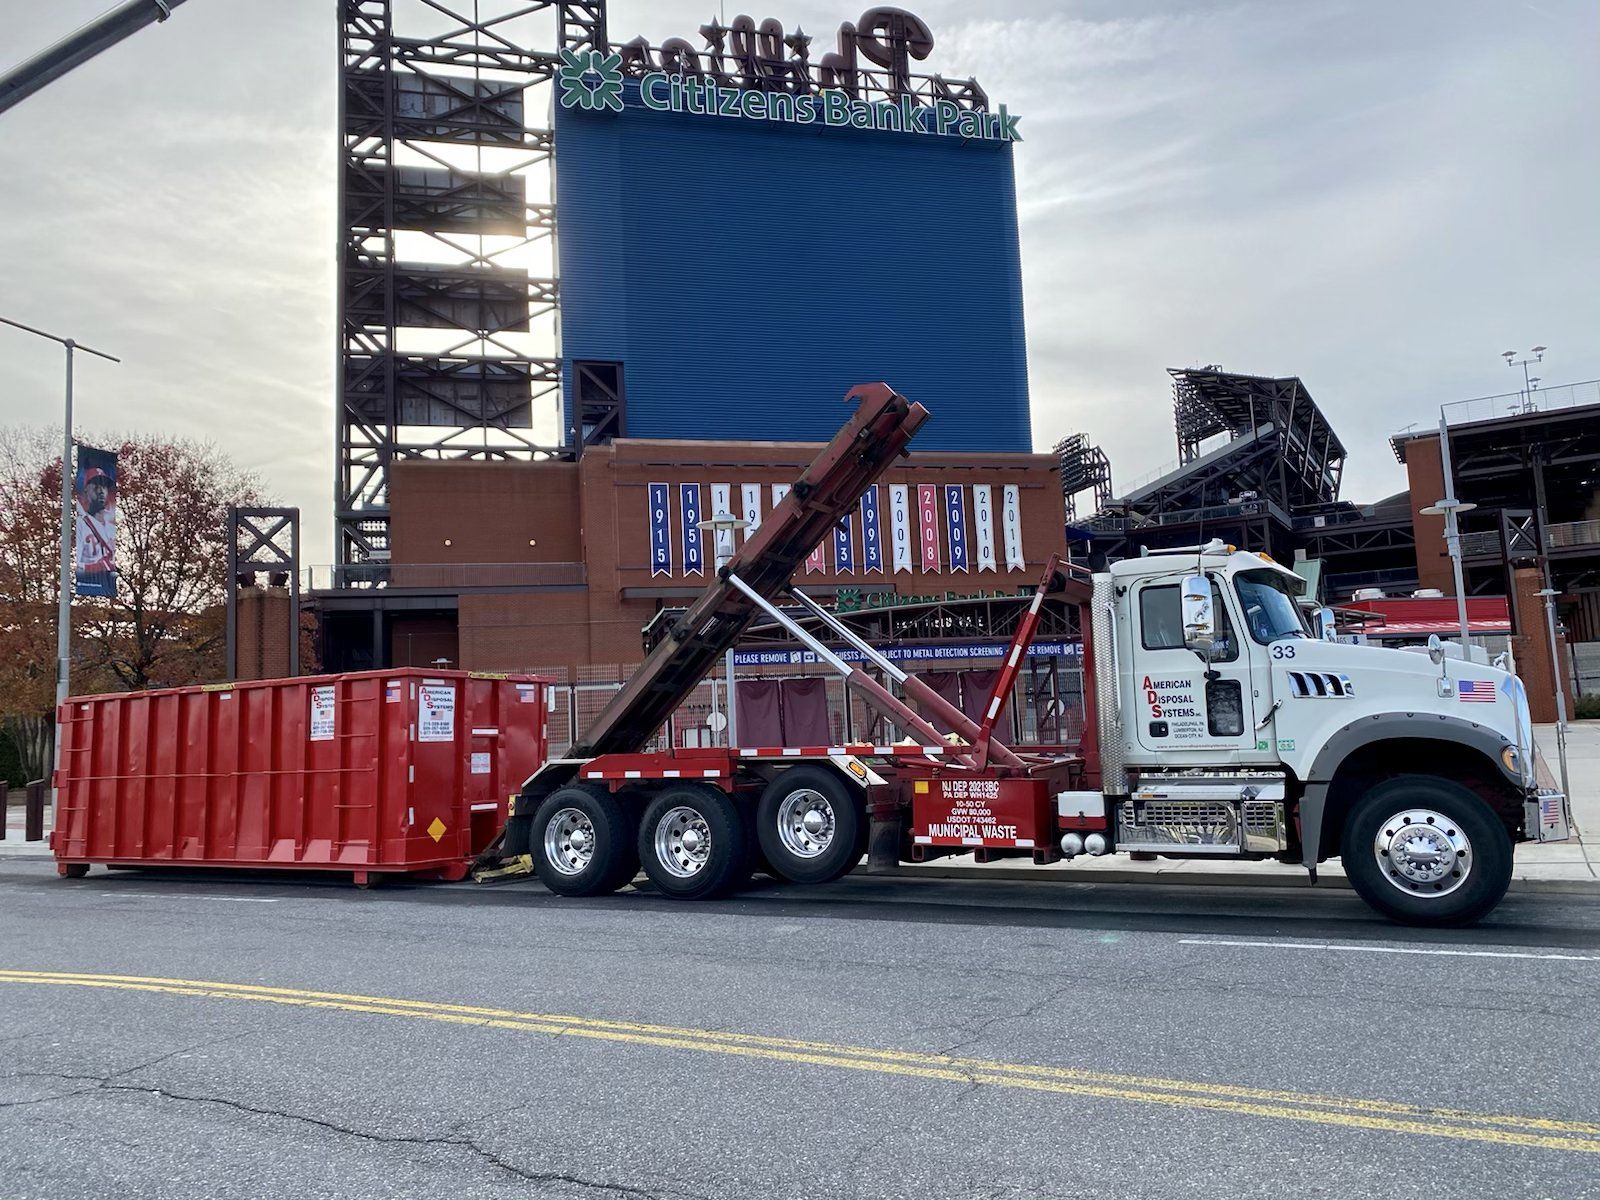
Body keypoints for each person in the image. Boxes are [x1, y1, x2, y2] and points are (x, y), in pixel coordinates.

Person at [74, 465, 116, 584]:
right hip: (89, 583)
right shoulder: (81, 524)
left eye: (103, 486)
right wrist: (98, 567)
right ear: (86, 490)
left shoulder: (111, 528)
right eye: (95, 486)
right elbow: (79, 568)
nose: (100, 491)